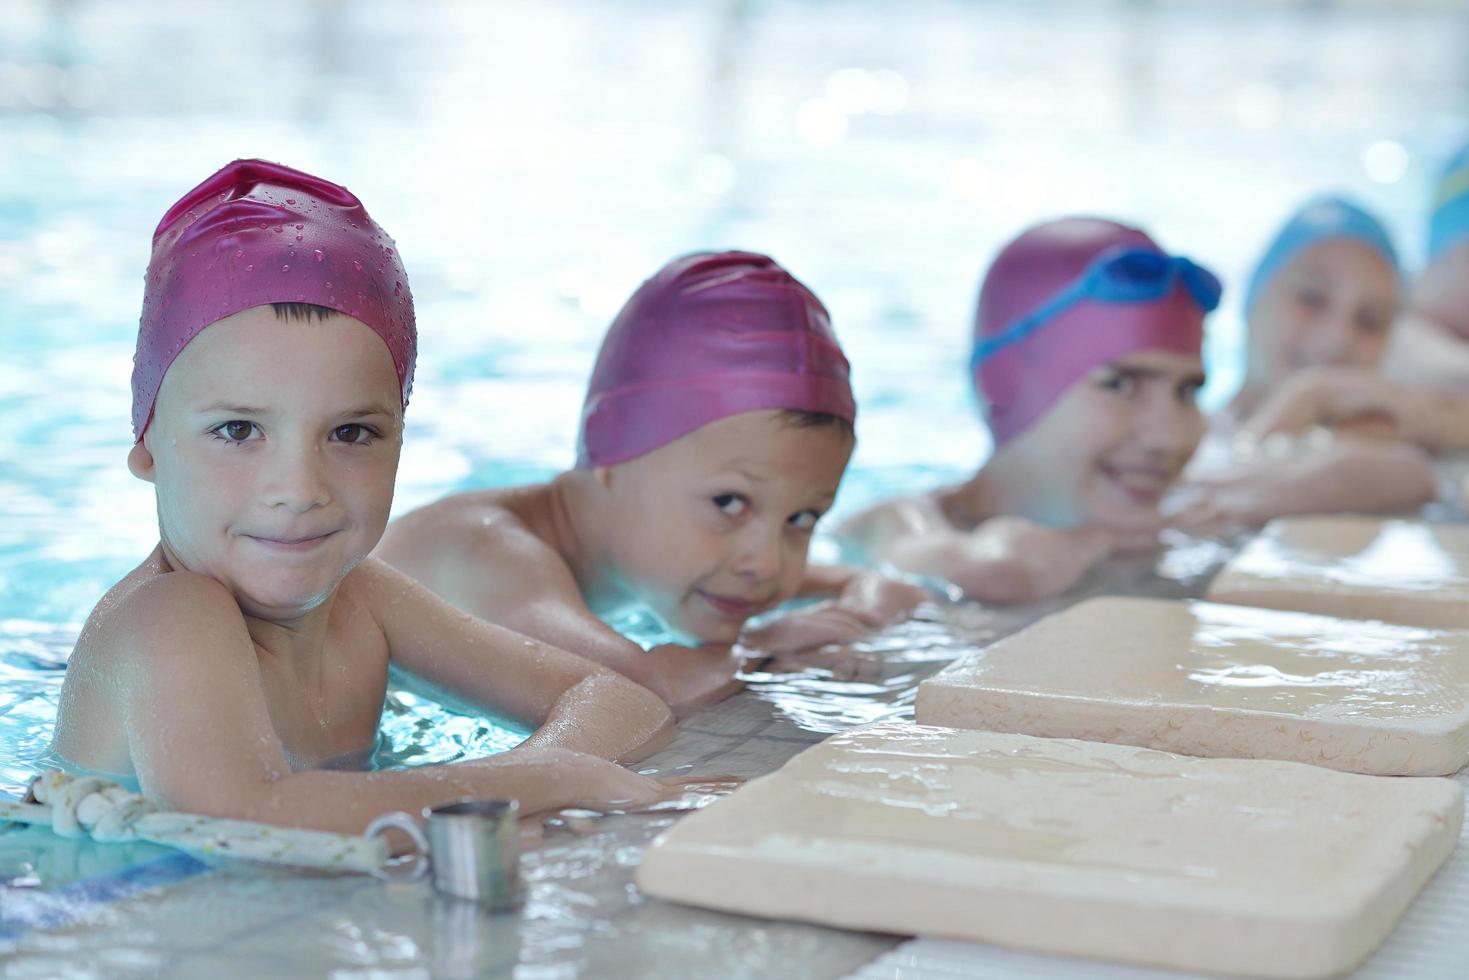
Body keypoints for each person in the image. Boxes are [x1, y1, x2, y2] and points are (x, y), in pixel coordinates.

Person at [51, 160, 675, 840]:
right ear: (147, 444)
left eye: (350, 432)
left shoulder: (365, 601)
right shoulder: (170, 615)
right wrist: (541, 780)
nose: (299, 489)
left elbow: (622, 701)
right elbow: (241, 817)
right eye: (238, 430)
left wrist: (533, 768)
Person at [377, 251, 924, 715]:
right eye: (729, 502)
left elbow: (883, 587)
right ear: (611, 449)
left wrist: (861, 613)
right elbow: (638, 695)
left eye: (801, 518)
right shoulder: (481, 550)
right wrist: (764, 647)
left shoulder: (658, 561)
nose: (767, 564)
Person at [839, 217, 1215, 603]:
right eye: (1120, 384)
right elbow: (996, 572)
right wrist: (1094, 541)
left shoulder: (1192, 512)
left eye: (1187, 391)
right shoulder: (893, 525)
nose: (1169, 437)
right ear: (1001, 381)